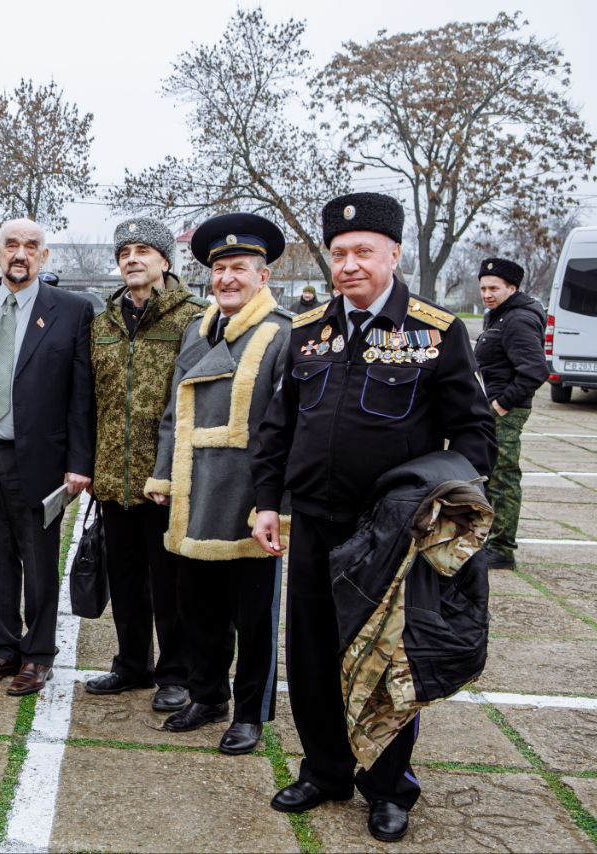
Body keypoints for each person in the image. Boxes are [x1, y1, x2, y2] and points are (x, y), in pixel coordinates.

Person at [251, 193, 495, 842]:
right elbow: (278, 428)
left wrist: (437, 503)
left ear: (393, 254)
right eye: (339, 253)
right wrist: (266, 502)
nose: (350, 265)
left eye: (363, 251)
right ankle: (325, 771)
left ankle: (388, 788)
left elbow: (475, 436)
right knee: (311, 655)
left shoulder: (435, 332)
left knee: (386, 663)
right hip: (312, 521)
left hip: (387, 533)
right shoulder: (308, 330)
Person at [145, 213, 291, 755]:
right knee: (198, 610)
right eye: (219, 269)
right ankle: (208, 696)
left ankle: (250, 713)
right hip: (192, 493)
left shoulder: (283, 333)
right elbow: (173, 411)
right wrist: (163, 473)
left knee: (253, 620)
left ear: (263, 276)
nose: (227, 278)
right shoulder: (197, 328)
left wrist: (274, 504)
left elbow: (288, 430)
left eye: (239, 269)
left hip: (249, 498)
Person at [0, 218, 95, 696]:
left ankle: (37, 655)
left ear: (44, 256)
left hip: (40, 459)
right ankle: (3, 649)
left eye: (31, 246)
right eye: (12, 244)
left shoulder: (72, 310)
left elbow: (81, 394)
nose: (21, 253)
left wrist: (80, 462)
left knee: (38, 565)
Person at [84, 218, 205, 714]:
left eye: (143, 250)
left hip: (168, 478)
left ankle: (175, 673)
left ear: (164, 260)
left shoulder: (194, 319)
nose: (132, 259)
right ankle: (132, 663)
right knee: (126, 579)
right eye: (124, 252)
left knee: (171, 583)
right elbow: (90, 399)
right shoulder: (104, 323)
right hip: (113, 475)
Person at [474, 257, 547, 570]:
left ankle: (502, 549)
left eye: (494, 288)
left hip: (506, 411)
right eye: (483, 288)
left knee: (503, 477)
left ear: (512, 288)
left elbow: (535, 370)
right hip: (493, 406)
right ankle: (489, 541)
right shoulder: (499, 316)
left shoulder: (517, 319)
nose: (487, 294)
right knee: (490, 476)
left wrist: (501, 405)